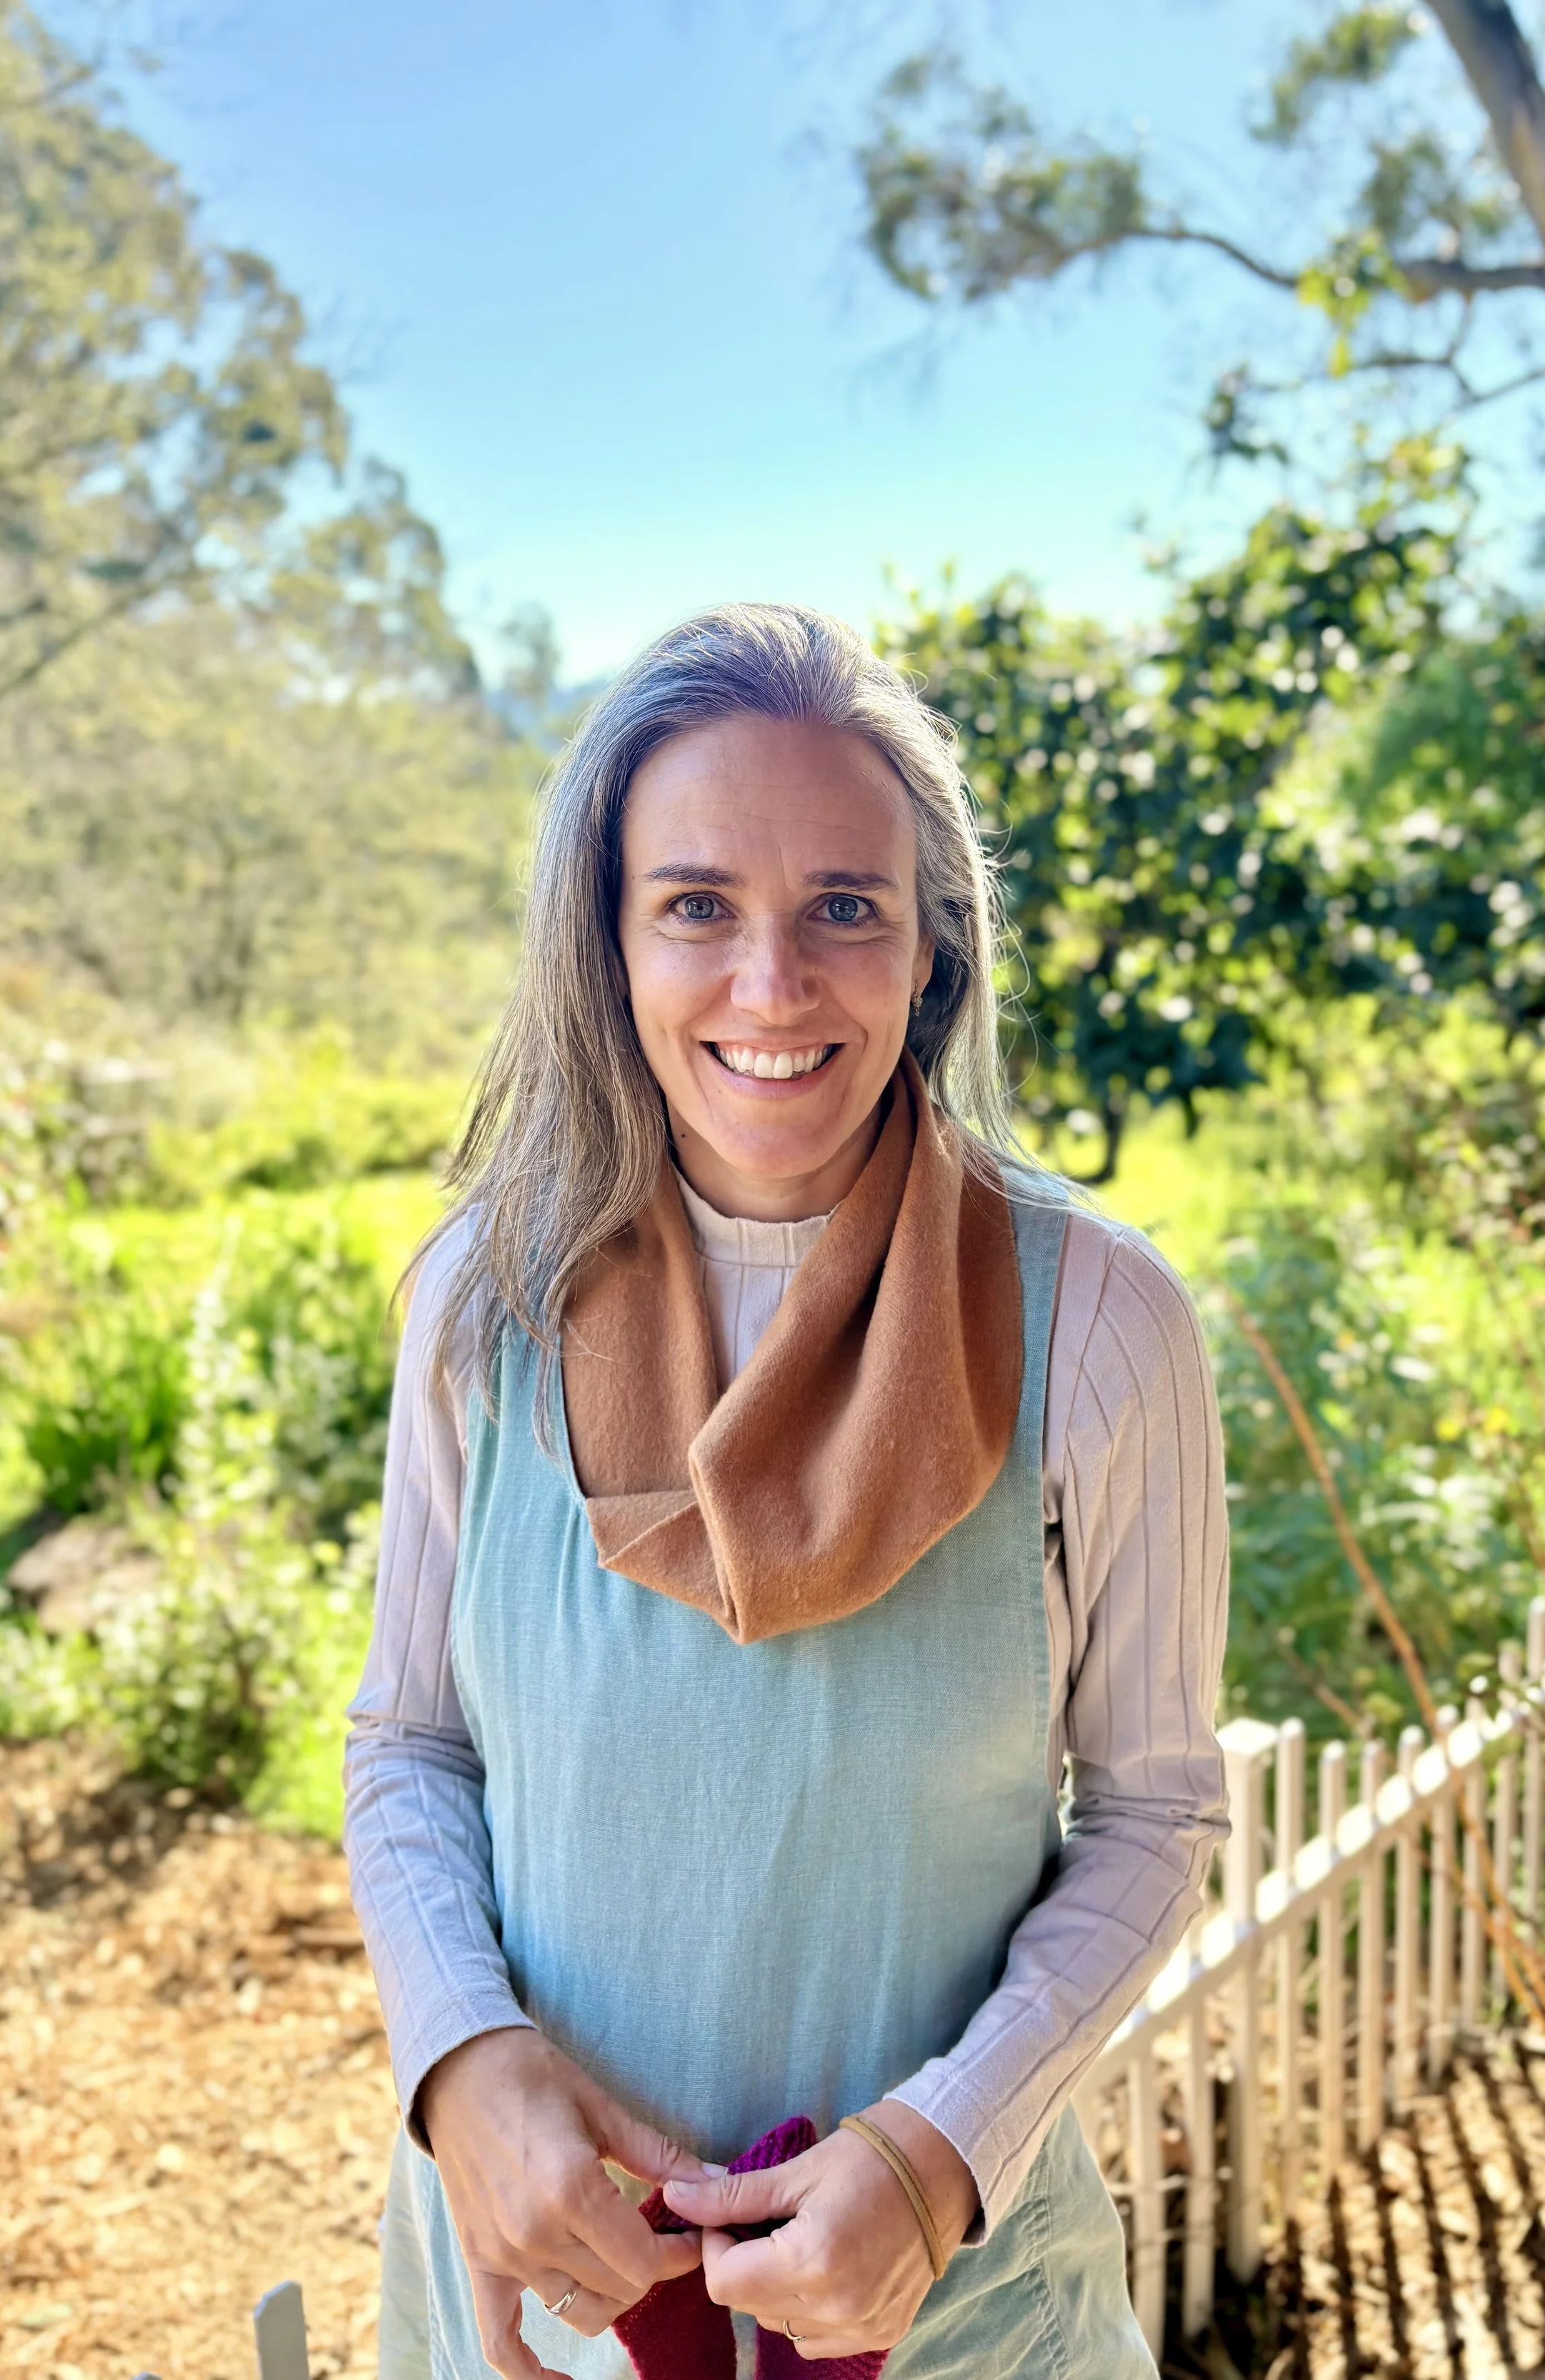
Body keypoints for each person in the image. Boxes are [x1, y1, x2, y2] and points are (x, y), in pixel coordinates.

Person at [345, 603, 1230, 2380]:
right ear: (604, 944)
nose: (771, 984)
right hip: (548, 2304)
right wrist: (461, 2061)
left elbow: (1156, 1812)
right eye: (694, 906)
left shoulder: (1098, 1327)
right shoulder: (481, 1300)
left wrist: (933, 2157)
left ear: (930, 953)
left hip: (965, 2313)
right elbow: (409, 1744)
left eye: (845, 905)